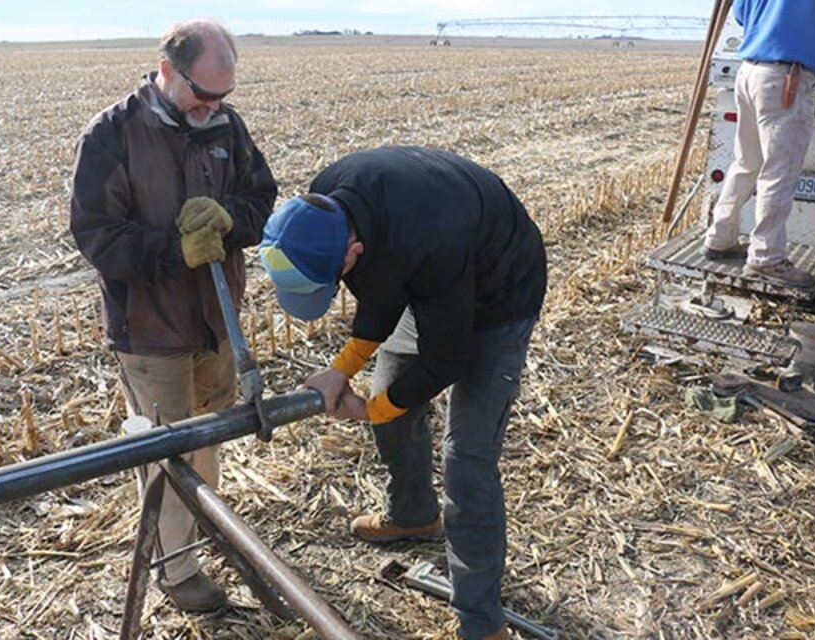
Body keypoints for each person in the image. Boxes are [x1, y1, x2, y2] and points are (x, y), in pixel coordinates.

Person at [259, 146, 546, 640]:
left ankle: (483, 622)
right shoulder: (328, 199)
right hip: (436, 278)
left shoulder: (426, 239)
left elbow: (445, 360)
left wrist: (372, 411)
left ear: (352, 252)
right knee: (394, 395)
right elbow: (381, 291)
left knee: (468, 459)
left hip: (500, 293)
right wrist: (340, 370)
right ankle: (413, 516)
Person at [69, 19, 276, 612]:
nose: (212, 108)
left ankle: (204, 526)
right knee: (165, 452)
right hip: (148, 327)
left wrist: (229, 217)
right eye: (201, 95)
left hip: (215, 320)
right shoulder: (113, 134)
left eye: (223, 98)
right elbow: (95, 235)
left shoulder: (225, 127)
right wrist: (172, 252)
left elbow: (263, 198)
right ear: (166, 71)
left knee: (207, 433)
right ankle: (175, 569)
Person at [703, 0, 815, 287]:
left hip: (750, 72)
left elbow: (741, 15)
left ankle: (720, 238)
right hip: (786, 78)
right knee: (779, 172)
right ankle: (767, 258)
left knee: (747, 163)